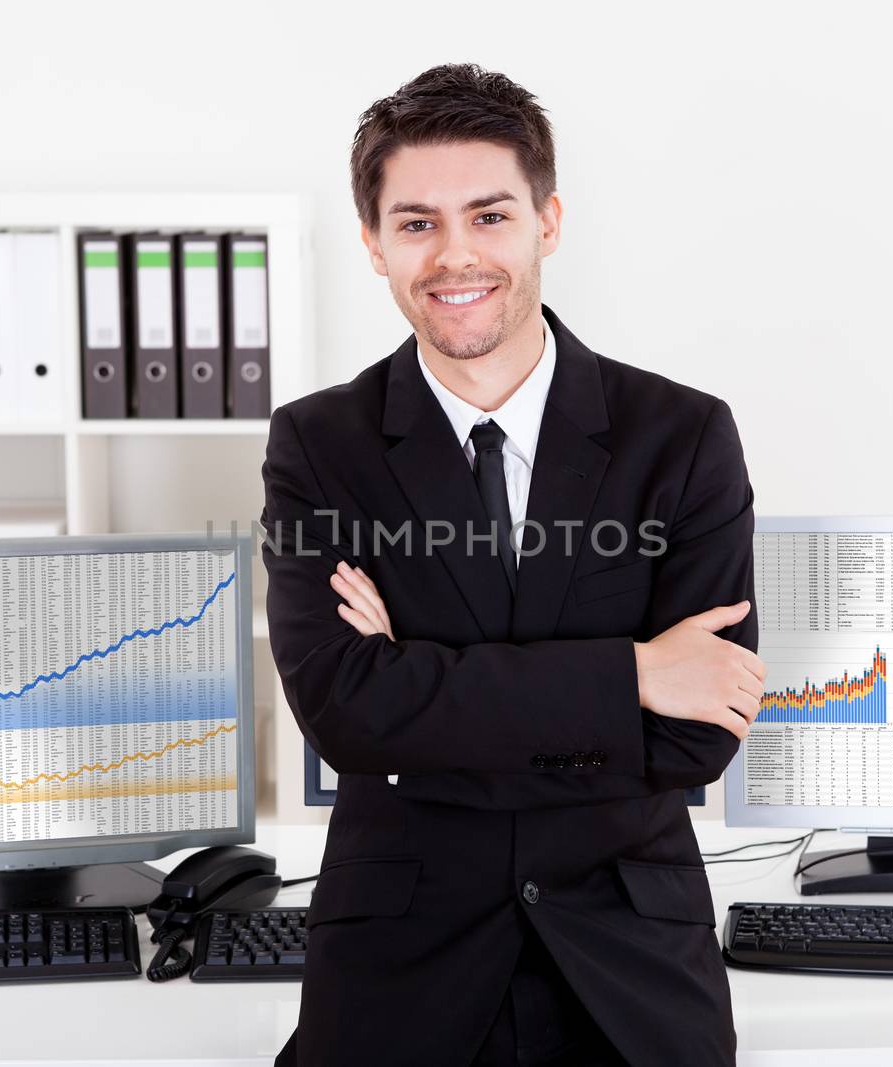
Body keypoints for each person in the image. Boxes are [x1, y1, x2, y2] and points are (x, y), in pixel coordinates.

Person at [264, 63, 766, 1067]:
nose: (454, 255)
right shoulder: (319, 445)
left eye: (488, 215)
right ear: (373, 242)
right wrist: (627, 673)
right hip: (403, 952)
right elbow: (345, 713)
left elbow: (696, 736)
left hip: (629, 960)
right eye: (415, 223)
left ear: (547, 220)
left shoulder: (682, 436)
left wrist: (427, 689)